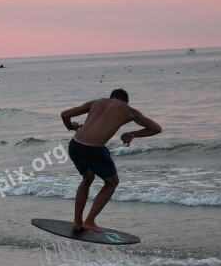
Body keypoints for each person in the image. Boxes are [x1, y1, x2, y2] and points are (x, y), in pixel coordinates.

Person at [62, 89, 162, 233]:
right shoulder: (129, 110)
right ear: (126, 101)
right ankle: (89, 221)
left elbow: (65, 114)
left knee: (87, 178)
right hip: (93, 150)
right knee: (112, 182)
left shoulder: (96, 102)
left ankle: (78, 222)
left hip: (75, 145)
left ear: (111, 98)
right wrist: (132, 134)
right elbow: (156, 128)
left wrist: (71, 127)